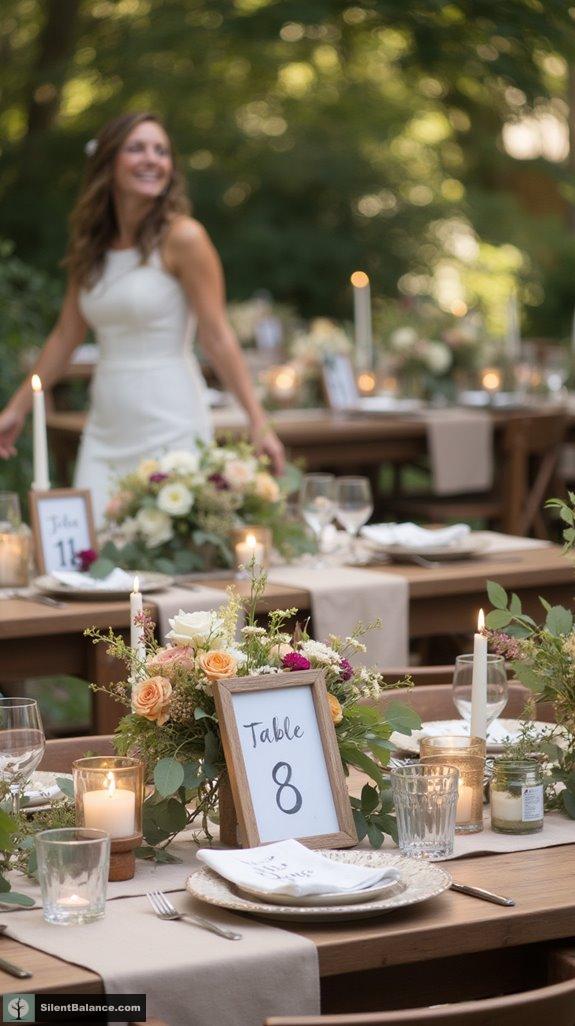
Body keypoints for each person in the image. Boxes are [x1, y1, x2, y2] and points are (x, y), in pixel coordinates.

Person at [0, 112, 285, 524]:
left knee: (163, 562)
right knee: (94, 552)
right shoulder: (89, 246)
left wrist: (259, 423)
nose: (152, 159)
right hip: (106, 423)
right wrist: (17, 408)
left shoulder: (184, 238)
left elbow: (218, 337)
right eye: (137, 148)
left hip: (170, 417)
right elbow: (66, 335)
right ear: (108, 162)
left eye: (161, 151)